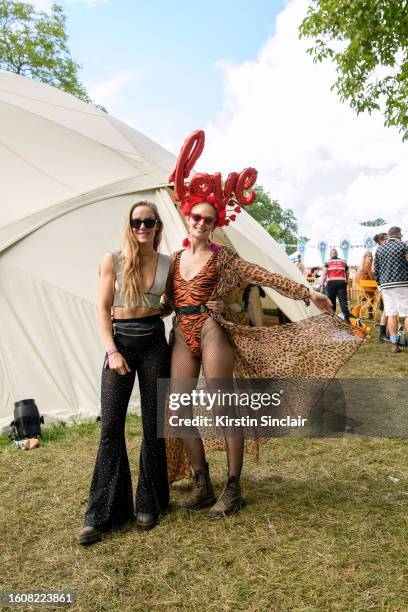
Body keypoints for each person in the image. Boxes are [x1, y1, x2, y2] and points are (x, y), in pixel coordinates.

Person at [164, 130, 364, 519]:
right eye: (196, 216)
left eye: (208, 218)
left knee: (224, 408)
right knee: (178, 410)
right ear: (187, 217)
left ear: (215, 220)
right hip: (180, 332)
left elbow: (263, 274)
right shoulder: (173, 259)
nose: (201, 222)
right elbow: (168, 300)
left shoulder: (223, 256)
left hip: (211, 330)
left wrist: (308, 293)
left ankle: (233, 488)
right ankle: (204, 483)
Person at [79, 202, 173, 544]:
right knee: (111, 428)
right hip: (119, 342)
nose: (142, 227)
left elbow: (174, 299)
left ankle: (151, 502)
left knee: (153, 425)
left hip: (153, 344)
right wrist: (112, 351)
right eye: (137, 222)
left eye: (149, 221)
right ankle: (104, 514)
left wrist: (163, 310)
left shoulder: (167, 263)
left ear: (157, 226)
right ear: (130, 225)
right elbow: (103, 309)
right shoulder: (113, 259)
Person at [374, 226, 408, 353]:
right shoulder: (404, 246)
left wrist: (380, 283)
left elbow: (375, 270)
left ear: (389, 235)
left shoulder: (380, 249)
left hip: (385, 286)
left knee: (391, 314)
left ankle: (394, 344)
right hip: (402, 283)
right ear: (398, 235)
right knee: (406, 314)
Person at [321, 248, 351, 321]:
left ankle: (332, 318)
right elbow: (347, 273)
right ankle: (347, 318)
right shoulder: (343, 262)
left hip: (331, 283)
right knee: (343, 301)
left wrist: (322, 284)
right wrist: (346, 281)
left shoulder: (327, 262)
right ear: (337, 254)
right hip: (341, 282)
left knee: (331, 301)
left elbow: (325, 273)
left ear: (330, 254)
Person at [374, 233, 389, 342]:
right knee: (387, 309)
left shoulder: (381, 250)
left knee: (388, 309)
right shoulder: (381, 251)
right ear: (382, 240)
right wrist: (379, 285)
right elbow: (376, 271)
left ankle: (384, 334)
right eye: (387, 238)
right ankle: (383, 334)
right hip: (384, 284)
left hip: (383, 284)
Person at [356, 251, 376, 319]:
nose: (370, 258)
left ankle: (357, 311)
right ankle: (369, 313)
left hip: (362, 287)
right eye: (368, 256)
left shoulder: (360, 266)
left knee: (364, 297)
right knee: (372, 297)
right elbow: (371, 277)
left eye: (370, 256)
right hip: (369, 287)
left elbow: (357, 278)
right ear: (365, 257)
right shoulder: (369, 265)